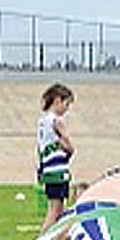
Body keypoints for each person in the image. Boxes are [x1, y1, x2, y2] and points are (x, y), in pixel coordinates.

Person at [35, 84, 75, 231]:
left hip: (47, 169)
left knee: (56, 209)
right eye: (66, 104)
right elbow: (69, 146)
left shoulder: (42, 122)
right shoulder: (56, 121)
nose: (67, 109)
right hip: (58, 170)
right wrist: (68, 150)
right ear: (57, 101)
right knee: (56, 211)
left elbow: (39, 148)